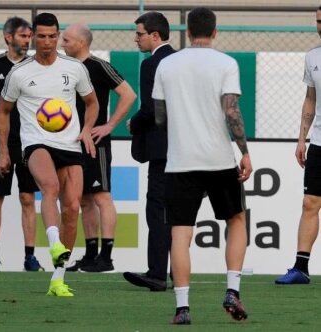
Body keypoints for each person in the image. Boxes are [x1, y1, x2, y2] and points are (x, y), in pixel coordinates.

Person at [152, 7, 252, 324]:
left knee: (180, 234)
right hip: (218, 159)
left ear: (187, 30)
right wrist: (244, 152)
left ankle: (182, 308)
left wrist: (181, 136)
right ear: (214, 31)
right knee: (236, 219)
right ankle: (232, 289)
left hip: (180, 161)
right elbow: (231, 111)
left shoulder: (167, 65)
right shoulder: (226, 63)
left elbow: (159, 117)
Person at [0, 12, 99, 296]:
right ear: (33, 37)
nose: (47, 42)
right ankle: (53, 242)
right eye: (41, 36)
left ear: (58, 35)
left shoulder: (74, 68)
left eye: (53, 36)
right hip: (36, 142)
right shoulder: (20, 72)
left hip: (70, 144)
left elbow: (92, 103)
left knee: (72, 208)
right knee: (49, 187)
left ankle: (58, 278)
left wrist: (88, 129)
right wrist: (4, 151)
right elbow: (2, 112)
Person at [61, 23, 136, 272]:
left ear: (82, 42)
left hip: (96, 142)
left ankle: (107, 256)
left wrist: (108, 126)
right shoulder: (66, 68)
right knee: (83, 200)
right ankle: (90, 254)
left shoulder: (99, 66)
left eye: (67, 40)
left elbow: (128, 95)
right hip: (71, 142)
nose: (62, 44)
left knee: (102, 196)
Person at [0, 17, 44, 272]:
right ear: (8, 37)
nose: (28, 41)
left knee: (28, 198)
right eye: (24, 36)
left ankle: (30, 257)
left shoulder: (36, 65)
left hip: (29, 143)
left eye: (29, 37)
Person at [123, 11, 176, 291]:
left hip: (161, 149)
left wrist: (134, 121)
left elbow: (152, 109)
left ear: (155, 35)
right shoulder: (181, 60)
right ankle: (179, 273)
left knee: (157, 210)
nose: (136, 39)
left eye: (140, 33)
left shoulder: (151, 64)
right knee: (180, 214)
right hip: (186, 147)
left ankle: (156, 273)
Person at [275, 6, 321, 285]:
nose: (319, 25)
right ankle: (301, 268)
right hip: (318, 143)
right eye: (317, 21)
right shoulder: (312, 57)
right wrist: (302, 137)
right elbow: (310, 99)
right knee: (309, 202)